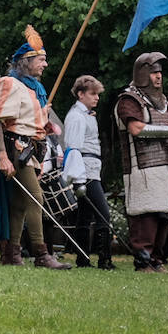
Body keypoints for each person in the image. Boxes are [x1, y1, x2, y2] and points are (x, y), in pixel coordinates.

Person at [0, 27, 70, 269]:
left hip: (30, 149)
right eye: (41, 60)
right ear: (26, 62)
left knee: (21, 203)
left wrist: (45, 125)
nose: (45, 64)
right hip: (14, 149)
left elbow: (28, 121)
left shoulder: (34, 90)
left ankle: (12, 254)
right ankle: (41, 253)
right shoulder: (8, 84)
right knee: (36, 197)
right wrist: (2, 156)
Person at [114, 52, 168, 272]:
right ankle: (143, 261)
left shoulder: (163, 102)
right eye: (153, 72)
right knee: (146, 215)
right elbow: (136, 129)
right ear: (142, 74)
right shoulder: (129, 99)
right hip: (142, 168)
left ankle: (156, 259)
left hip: (165, 166)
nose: (158, 77)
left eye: (159, 72)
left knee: (164, 214)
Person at [63, 75, 115, 270]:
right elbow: (74, 148)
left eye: (98, 94)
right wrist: (78, 178)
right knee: (103, 215)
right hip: (85, 171)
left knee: (84, 217)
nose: (97, 98)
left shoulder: (87, 115)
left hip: (92, 168)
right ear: (81, 94)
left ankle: (83, 259)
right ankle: (104, 259)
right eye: (92, 94)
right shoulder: (76, 116)